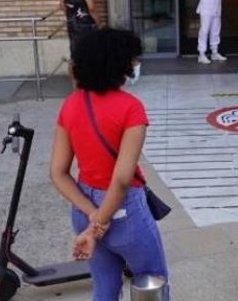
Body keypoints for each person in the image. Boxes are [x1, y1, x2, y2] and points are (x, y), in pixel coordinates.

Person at [49, 28, 169, 300]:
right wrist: (100, 222)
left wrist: (91, 217)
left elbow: (58, 173)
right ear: (120, 66)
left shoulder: (70, 105)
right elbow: (122, 179)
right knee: (151, 281)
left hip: (82, 207)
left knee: (104, 285)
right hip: (123, 210)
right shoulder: (130, 108)